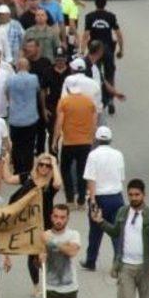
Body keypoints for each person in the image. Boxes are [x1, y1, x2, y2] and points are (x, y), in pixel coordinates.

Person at [4, 152, 63, 296]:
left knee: (48, 253)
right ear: (37, 165)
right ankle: (36, 286)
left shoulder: (50, 183)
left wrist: (54, 163)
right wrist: (5, 161)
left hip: (46, 223)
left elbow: (58, 184)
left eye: (47, 166)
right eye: (41, 164)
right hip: (30, 222)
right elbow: (8, 179)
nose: (44, 167)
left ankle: (52, 281)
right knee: (32, 254)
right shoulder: (28, 177)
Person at [81, 126, 125, 270]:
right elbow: (121, 178)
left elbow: (91, 179)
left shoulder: (93, 155)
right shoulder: (118, 154)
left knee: (95, 231)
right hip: (117, 197)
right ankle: (118, 261)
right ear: (110, 139)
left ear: (96, 139)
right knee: (116, 232)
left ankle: (91, 261)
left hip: (100, 197)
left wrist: (92, 200)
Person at [53, 81, 97, 209]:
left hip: (69, 142)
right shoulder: (89, 102)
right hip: (85, 142)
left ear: (68, 89)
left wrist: (55, 140)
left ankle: (70, 199)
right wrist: (92, 137)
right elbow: (94, 122)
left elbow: (59, 122)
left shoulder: (64, 101)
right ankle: (82, 200)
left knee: (65, 170)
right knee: (83, 171)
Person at [8, 58, 41, 176]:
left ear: (17, 67)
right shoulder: (34, 78)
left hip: (15, 118)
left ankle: (18, 169)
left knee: (17, 145)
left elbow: (7, 93)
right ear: (28, 67)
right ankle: (28, 169)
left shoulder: (11, 79)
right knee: (29, 145)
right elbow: (38, 91)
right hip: (30, 117)